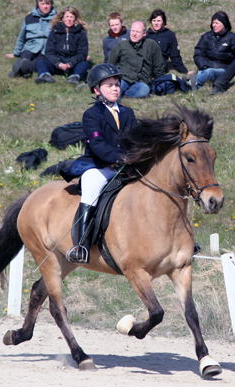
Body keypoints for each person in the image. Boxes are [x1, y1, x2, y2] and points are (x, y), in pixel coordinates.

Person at [60, 63, 137, 264]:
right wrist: (121, 157)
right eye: (109, 85)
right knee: (92, 188)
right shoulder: (92, 115)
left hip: (126, 166)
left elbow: (136, 139)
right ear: (96, 90)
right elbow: (97, 145)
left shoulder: (128, 113)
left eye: (117, 84)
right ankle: (82, 245)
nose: (115, 88)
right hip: (100, 166)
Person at [189, 11, 235, 91]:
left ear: (224, 24)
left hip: (223, 69)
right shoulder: (206, 36)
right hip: (205, 67)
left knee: (209, 72)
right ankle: (195, 86)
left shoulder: (233, 39)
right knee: (203, 73)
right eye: (213, 22)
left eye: (217, 23)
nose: (214, 25)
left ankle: (189, 83)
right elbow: (198, 53)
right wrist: (203, 66)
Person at [108, 21, 165, 98]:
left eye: (137, 32)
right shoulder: (121, 45)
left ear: (144, 33)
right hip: (124, 77)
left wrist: (160, 83)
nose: (134, 34)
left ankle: (122, 93)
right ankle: (114, 97)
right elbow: (110, 63)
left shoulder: (152, 45)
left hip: (142, 80)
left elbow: (158, 67)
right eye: (133, 31)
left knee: (144, 91)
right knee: (117, 88)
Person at [35, 6, 89, 85]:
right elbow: (49, 51)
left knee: (84, 64)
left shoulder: (81, 33)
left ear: (76, 19)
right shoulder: (55, 32)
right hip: (57, 64)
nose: (69, 19)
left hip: (73, 65)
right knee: (41, 62)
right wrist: (58, 63)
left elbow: (82, 53)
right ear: (63, 18)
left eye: (72, 17)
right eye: (67, 17)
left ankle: (74, 77)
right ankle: (45, 76)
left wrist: (70, 63)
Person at [6, 0, 56, 79]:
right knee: (26, 57)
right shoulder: (29, 18)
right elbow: (21, 37)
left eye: (48, 4)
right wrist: (16, 53)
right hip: (30, 47)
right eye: (42, 4)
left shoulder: (57, 19)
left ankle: (20, 71)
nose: (45, 6)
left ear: (51, 4)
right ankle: (24, 66)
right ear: (37, 4)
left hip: (46, 49)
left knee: (39, 61)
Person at [146, 9, 192, 75]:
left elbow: (175, 55)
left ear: (164, 22)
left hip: (160, 65)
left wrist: (185, 71)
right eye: (154, 21)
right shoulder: (146, 34)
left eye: (159, 21)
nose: (156, 23)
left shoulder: (170, 35)